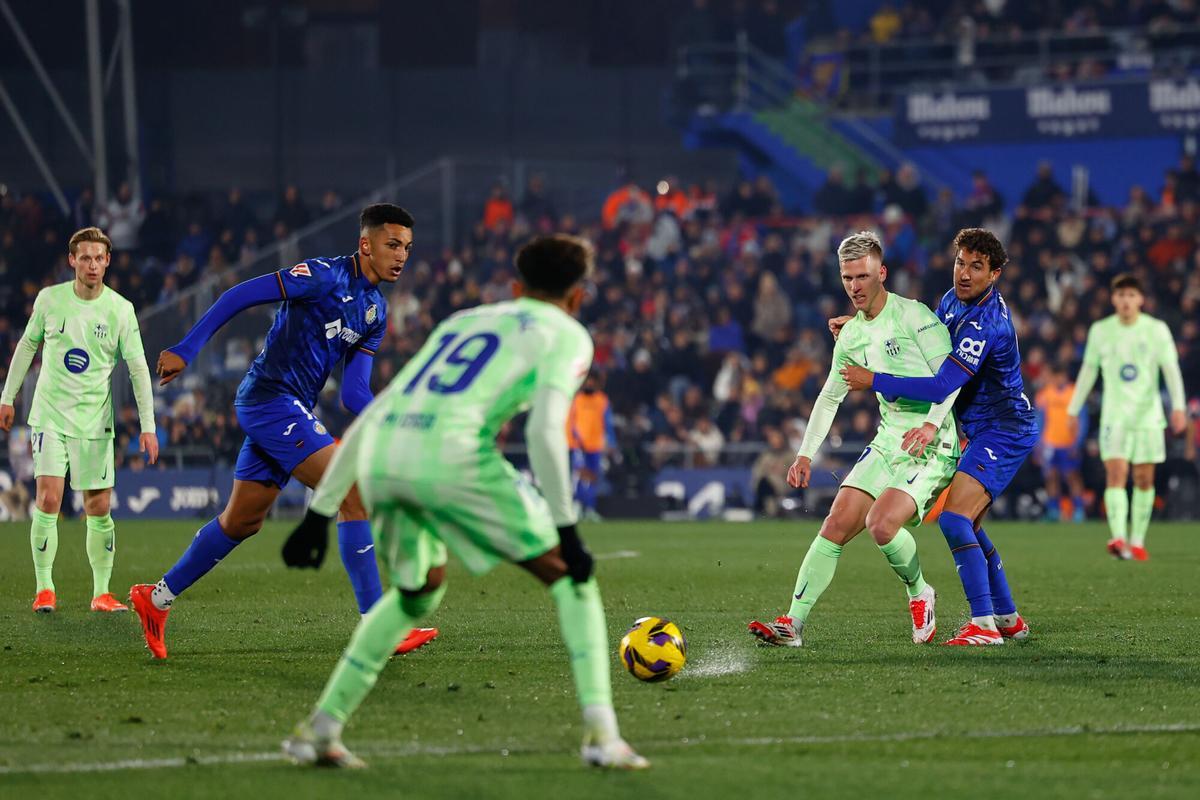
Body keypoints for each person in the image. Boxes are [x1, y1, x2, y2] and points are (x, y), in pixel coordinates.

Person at [280, 234, 647, 770]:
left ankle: (320, 730)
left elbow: (382, 410)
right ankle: (601, 736)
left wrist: (320, 511)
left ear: (516, 288)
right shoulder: (567, 334)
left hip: (385, 457)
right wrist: (568, 530)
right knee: (571, 577)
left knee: (417, 592)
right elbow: (546, 431)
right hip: (451, 455)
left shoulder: (464, 321)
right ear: (577, 298)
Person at [127, 204, 435, 658]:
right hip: (269, 399)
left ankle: (155, 600)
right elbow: (240, 294)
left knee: (242, 521)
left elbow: (353, 394)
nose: (401, 255)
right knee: (350, 492)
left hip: (290, 410)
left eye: (407, 247)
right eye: (392, 244)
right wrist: (187, 348)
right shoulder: (323, 276)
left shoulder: (374, 311)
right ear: (365, 244)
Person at [748, 231, 959, 648]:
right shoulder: (850, 335)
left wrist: (932, 425)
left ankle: (919, 591)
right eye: (847, 278)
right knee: (836, 522)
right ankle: (793, 623)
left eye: (862, 276)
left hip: (933, 442)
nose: (854, 286)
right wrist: (804, 454)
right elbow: (830, 396)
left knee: (880, 525)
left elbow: (951, 381)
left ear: (881, 272)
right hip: (889, 440)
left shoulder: (914, 317)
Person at [840, 228, 1038, 645]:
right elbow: (919, 346)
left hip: (1003, 429)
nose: (964, 273)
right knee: (972, 525)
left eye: (977, 267)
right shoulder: (952, 301)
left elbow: (940, 385)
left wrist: (872, 378)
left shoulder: (985, 323)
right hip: (982, 428)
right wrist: (866, 328)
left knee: (953, 518)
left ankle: (983, 625)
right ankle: (1007, 618)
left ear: (995, 273)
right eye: (960, 262)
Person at [0, 226, 159, 613]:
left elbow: (139, 370)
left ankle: (101, 593)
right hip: (50, 415)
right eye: (84, 257)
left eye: (98, 258)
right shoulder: (50, 300)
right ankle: (44, 588)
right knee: (48, 498)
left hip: (95, 421)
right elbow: (26, 347)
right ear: (72, 260)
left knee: (99, 507)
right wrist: (7, 396)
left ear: (107, 261)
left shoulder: (121, 310)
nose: (91, 264)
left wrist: (148, 426)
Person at [1067, 273, 1187, 561]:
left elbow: (1171, 370)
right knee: (1116, 474)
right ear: (1113, 299)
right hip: (1115, 416)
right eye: (1121, 295)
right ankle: (1119, 539)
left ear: (1141, 299)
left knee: (1145, 479)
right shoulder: (1101, 330)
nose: (1126, 301)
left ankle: (1137, 540)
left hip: (1148, 416)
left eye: (1131, 295)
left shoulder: (1156, 330)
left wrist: (1179, 407)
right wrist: (1073, 408)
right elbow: (1088, 371)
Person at [1035, 365, 1087, 522]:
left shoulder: (1074, 393)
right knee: (1051, 477)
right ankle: (1053, 511)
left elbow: (1083, 419)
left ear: (1065, 376)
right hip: (1050, 443)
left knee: (1072, 476)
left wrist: (1077, 442)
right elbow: (1039, 420)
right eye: (1055, 376)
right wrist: (1038, 445)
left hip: (1068, 442)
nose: (1058, 379)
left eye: (1060, 375)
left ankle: (1078, 510)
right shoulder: (1045, 394)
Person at [568, 372, 613, 521]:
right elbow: (571, 422)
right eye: (587, 381)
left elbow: (607, 423)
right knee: (580, 476)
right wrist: (575, 438)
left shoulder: (602, 400)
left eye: (592, 381)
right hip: (579, 445)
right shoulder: (577, 400)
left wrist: (610, 442)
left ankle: (589, 509)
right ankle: (577, 506)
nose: (589, 384)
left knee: (593, 478)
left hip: (595, 445)